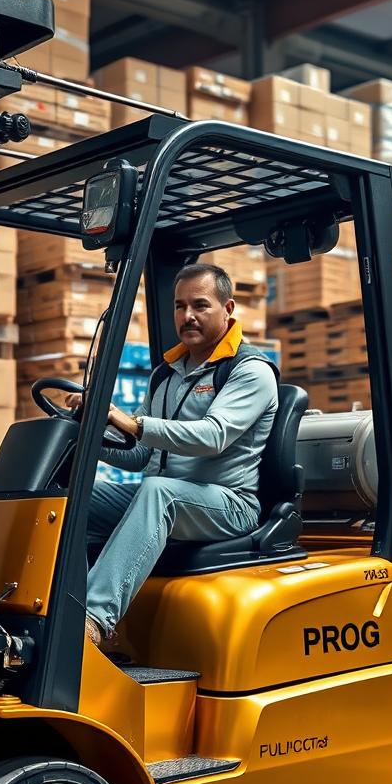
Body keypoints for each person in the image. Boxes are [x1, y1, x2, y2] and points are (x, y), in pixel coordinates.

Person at [65, 263, 279, 645]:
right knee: (73, 495)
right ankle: (58, 606)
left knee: (158, 492)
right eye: (180, 307)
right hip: (171, 495)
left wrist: (133, 423)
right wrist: (88, 436)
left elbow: (213, 436)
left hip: (230, 504)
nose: (188, 316)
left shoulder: (249, 371)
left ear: (228, 309)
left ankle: (90, 622)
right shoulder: (166, 374)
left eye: (200, 305)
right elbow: (140, 455)